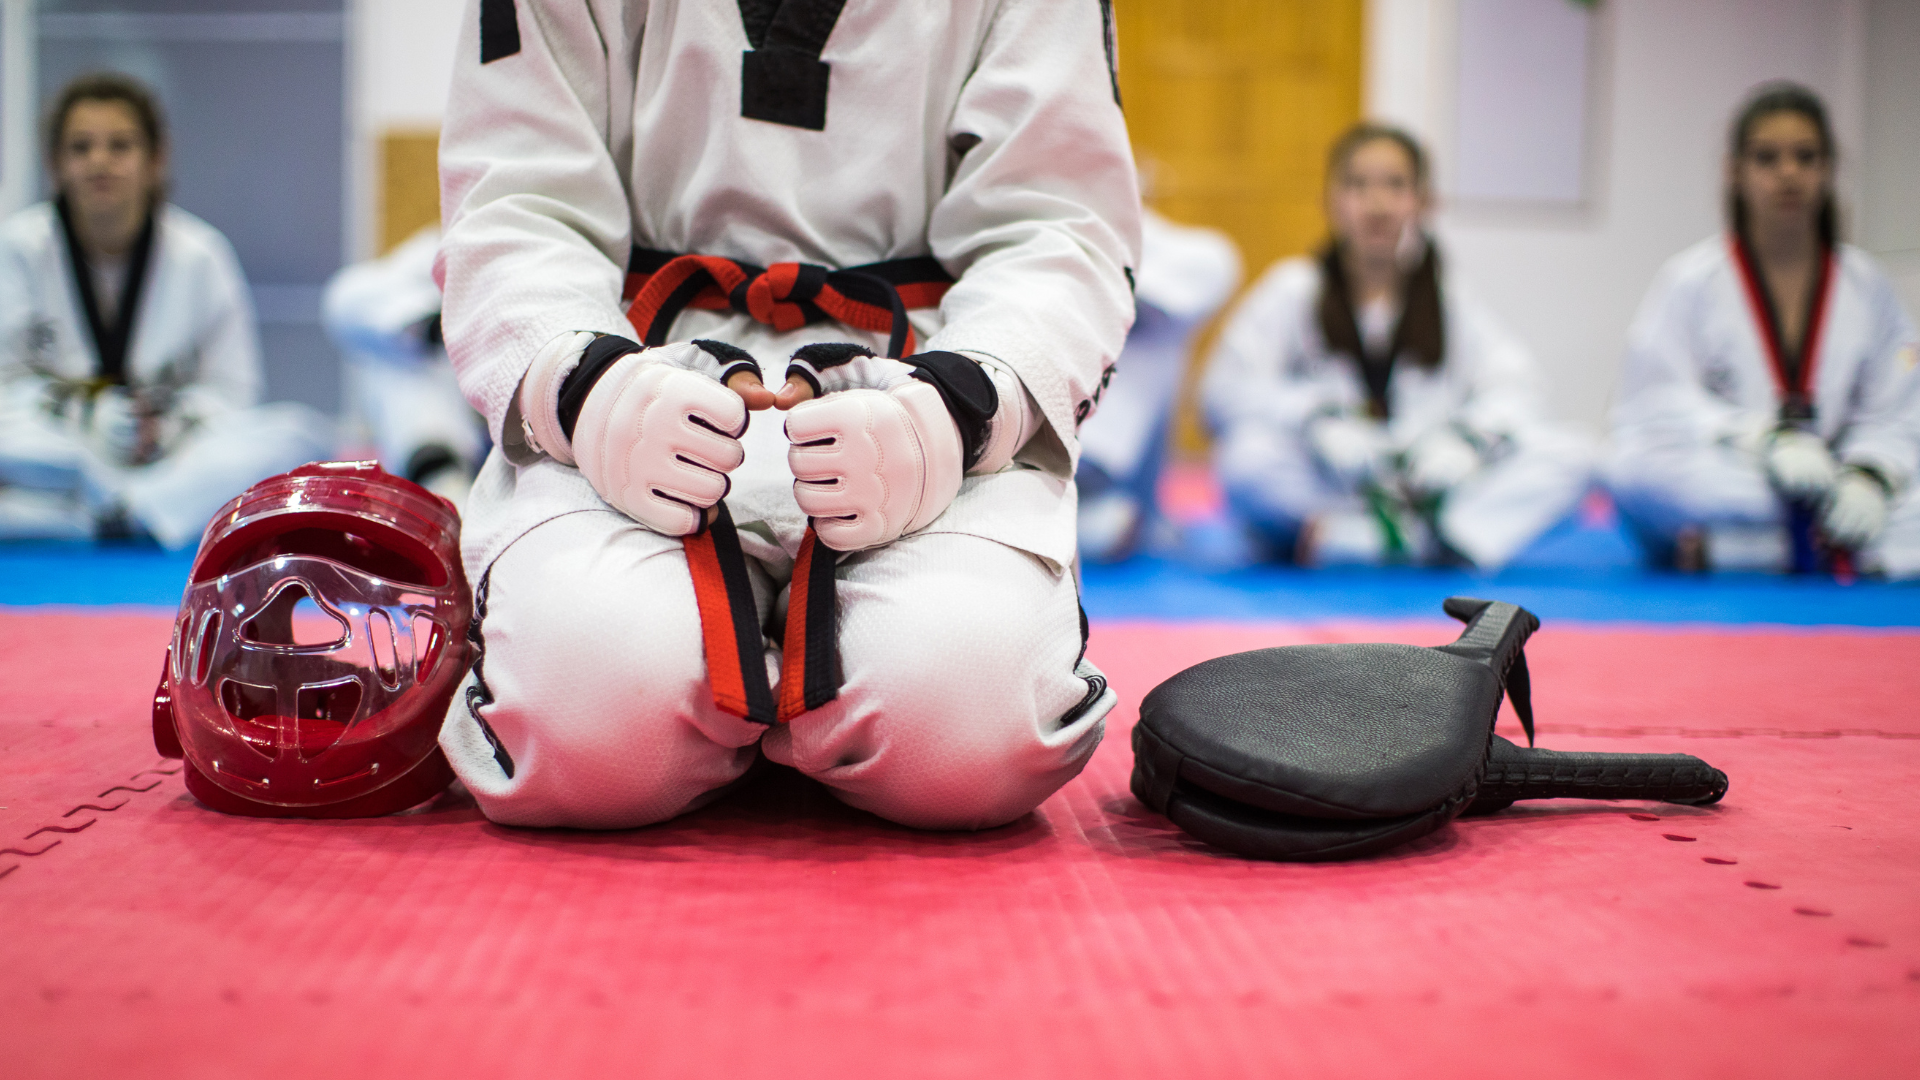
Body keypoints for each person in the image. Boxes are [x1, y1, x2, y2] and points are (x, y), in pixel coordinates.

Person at [434, 1, 1137, 830]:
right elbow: (514, 198)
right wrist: (581, 386)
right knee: (586, 725)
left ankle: (783, 703)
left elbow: (1057, 223)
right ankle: (742, 703)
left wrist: (962, 406)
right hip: (640, 376)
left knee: (962, 729)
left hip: (918, 384)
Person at [1200, 124, 1593, 568]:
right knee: (1247, 459)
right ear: (1330, 200)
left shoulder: (1449, 298)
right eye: (1357, 185)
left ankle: (1398, 540)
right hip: (1337, 484)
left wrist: (1465, 441)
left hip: (1427, 483)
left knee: (1573, 454)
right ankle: (1399, 540)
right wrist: (1316, 419)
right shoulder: (1294, 290)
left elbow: (1518, 387)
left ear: (1423, 202)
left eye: (1396, 185)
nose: (1378, 204)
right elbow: (1224, 394)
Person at [0, 73, 330, 547]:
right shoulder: (17, 250)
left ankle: (102, 516)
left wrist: (170, 425)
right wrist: (85, 415)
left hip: (169, 457)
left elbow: (235, 393)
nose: (100, 161)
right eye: (80, 147)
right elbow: (7, 385)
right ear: (55, 163)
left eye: (120, 145)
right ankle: (143, 514)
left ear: (155, 159)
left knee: (300, 435)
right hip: (62, 451)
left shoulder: (202, 255)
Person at [1607, 83, 1920, 577]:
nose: (1788, 173)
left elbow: (1900, 405)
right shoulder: (1691, 280)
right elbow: (1656, 405)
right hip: (1747, 475)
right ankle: (1840, 548)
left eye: (1805, 157)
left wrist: (1869, 475)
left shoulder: (1868, 286)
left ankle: (1750, 550)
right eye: (1767, 158)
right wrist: (1765, 439)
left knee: (1900, 488)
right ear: (1736, 171)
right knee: (1629, 473)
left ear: (1828, 169)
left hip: (1836, 473)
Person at [1075, 207, 1240, 562]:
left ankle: (1136, 518)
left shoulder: (1190, 253)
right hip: (1027, 445)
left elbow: (1212, 268)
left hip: (1106, 463)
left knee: (1164, 335)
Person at [322, 225, 487, 507]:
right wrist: (441, 329)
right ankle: (440, 478)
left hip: (519, 421)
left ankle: (441, 487)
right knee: (346, 297)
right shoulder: (450, 241)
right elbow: (348, 301)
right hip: (441, 420)